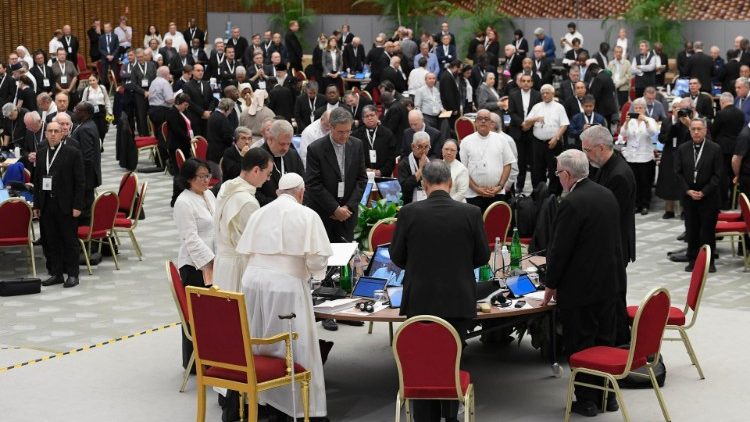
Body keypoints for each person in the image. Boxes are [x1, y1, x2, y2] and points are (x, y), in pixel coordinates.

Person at [389, 159, 490, 422]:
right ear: (451, 182)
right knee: (453, 357)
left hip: (420, 299)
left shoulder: (409, 212)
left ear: (423, 183)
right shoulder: (470, 213)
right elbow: (481, 257)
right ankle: (451, 414)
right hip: (458, 299)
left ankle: (425, 417)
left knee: (423, 362)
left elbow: (397, 257)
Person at [237, 173, 332, 421]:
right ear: (301, 192)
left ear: (280, 192)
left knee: (259, 340)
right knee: (294, 344)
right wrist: (313, 273)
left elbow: (245, 252)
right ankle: (299, 408)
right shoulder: (307, 215)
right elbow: (317, 259)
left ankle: (262, 402)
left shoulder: (259, 212)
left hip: (252, 282)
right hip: (286, 285)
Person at [542, 149, 625, 417]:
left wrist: (550, 284)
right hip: (609, 282)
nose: (558, 179)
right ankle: (607, 396)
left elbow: (560, 249)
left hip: (580, 288)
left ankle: (587, 399)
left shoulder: (571, 202)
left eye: (558, 174)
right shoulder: (606, 194)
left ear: (566, 174)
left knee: (581, 344)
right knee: (605, 340)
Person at [581, 125, 636, 345]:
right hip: (611, 242)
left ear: (600, 147)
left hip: (615, 245)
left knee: (613, 298)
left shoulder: (618, 175)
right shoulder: (606, 166)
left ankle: (618, 341)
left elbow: (607, 215)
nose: (585, 155)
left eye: (587, 150)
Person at [173, 157, 216, 370]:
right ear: (189, 178)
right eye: (201, 176)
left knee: (213, 313)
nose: (205, 180)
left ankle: (213, 357)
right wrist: (210, 259)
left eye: (207, 175)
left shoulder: (208, 194)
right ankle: (195, 363)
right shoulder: (183, 201)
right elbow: (190, 238)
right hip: (194, 264)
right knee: (198, 316)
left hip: (214, 260)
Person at [213, 148, 273, 292]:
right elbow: (254, 243)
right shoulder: (248, 202)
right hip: (237, 266)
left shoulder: (227, 186)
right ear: (256, 170)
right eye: (268, 174)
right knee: (240, 311)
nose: (268, 179)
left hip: (222, 262)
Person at [34, 121, 85, 289]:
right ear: (46, 133)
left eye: (57, 131)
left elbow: (80, 182)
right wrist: (36, 205)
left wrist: (78, 205)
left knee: (69, 241)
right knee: (51, 240)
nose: (54, 134)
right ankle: (56, 273)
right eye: (50, 131)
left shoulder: (73, 153)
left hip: (66, 204)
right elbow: (37, 180)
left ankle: (72, 274)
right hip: (47, 204)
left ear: (63, 133)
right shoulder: (41, 153)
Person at [304, 107, 367, 242]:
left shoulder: (357, 145)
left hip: (347, 215)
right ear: (331, 127)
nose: (344, 136)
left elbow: (361, 179)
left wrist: (347, 207)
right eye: (340, 132)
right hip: (324, 214)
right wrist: (335, 209)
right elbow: (313, 183)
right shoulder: (315, 149)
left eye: (348, 131)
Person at [675, 118, 722, 273]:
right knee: (692, 230)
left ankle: (709, 261)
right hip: (689, 196)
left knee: (707, 231)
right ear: (690, 131)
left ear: (705, 130)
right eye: (693, 129)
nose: (696, 132)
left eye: (699, 129)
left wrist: (704, 192)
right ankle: (693, 259)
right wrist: (687, 191)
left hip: (708, 196)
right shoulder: (683, 149)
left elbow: (718, 175)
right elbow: (678, 173)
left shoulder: (714, 148)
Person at [460, 109, 515, 212]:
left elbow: (507, 164)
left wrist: (500, 186)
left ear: (491, 123)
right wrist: (477, 189)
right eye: (480, 119)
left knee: (495, 225)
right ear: (475, 122)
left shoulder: (501, 139)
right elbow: (463, 170)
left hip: (497, 193)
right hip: (473, 194)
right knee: (476, 226)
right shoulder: (466, 141)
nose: (483, 121)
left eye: (486, 119)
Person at [524, 84, 569, 194]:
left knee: (554, 169)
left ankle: (554, 194)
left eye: (547, 92)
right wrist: (535, 119)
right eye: (543, 93)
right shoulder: (537, 107)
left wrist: (556, 138)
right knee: (537, 169)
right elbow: (525, 125)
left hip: (553, 141)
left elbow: (564, 125)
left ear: (553, 94)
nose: (544, 94)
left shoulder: (559, 107)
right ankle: (539, 192)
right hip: (537, 142)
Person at [617, 98, 657, 215]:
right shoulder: (631, 121)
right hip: (632, 156)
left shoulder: (650, 120)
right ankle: (636, 204)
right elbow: (622, 134)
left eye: (641, 108)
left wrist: (645, 121)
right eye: (636, 108)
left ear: (645, 109)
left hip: (645, 157)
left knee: (645, 183)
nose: (638, 110)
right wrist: (626, 122)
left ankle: (645, 205)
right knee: (634, 183)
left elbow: (653, 133)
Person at [258, 119, 305, 206]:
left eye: (288, 144)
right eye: (282, 144)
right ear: (270, 139)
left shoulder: (292, 155)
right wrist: (279, 205)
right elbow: (255, 192)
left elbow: (302, 182)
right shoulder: (258, 157)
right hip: (268, 210)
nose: (286, 148)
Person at [508, 73, 541, 192]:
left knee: (533, 161)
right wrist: (523, 123)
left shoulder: (537, 95)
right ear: (520, 83)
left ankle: (535, 186)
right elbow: (511, 112)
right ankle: (519, 185)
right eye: (524, 81)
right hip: (518, 131)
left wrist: (529, 124)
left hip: (533, 131)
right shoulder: (513, 94)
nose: (526, 83)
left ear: (532, 83)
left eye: (528, 81)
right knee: (520, 161)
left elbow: (539, 112)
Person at [712, 92, 745, 208]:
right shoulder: (741, 114)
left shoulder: (720, 114)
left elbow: (714, 130)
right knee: (734, 175)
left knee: (723, 176)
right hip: (736, 147)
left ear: (722, 102)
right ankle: (734, 202)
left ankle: (724, 203)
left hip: (722, 148)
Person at [70, 102, 101, 222]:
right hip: (88, 176)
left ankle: (87, 236)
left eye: (76, 110)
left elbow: (87, 157)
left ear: (84, 113)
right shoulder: (87, 125)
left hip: (86, 177)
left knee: (85, 210)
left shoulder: (85, 129)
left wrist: (77, 174)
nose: (74, 112)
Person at [352, 105, 397, 177]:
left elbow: (391, 158)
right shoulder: (356, 136)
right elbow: (354, 158)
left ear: (377, 116)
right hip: (363, 177)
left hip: (383, 176)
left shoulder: (387, 134)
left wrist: (381, 172)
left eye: (372, 115)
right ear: (363, 119)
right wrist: (364, 170)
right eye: (366, 116)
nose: (370, 118)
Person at [206, 98, 235, 166]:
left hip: (211, 151)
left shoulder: (212, 115)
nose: (230, 112)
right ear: (227, 108)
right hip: (220, 154)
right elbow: (227, 137)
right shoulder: (223, 119)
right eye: (231, 110)